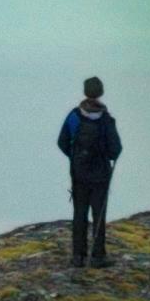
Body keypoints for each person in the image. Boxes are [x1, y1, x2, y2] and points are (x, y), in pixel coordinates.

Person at [55, 76, 122, 267]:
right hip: (100, 176)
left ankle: (78, 256)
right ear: (100, 92)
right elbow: (115, 150)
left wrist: (75, 157)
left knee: (79, 214)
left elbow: (62, 142)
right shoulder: (107, 119)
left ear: (85, 91)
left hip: (79, 174)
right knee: (98, 215)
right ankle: (98, 257)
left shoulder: (74, 116)